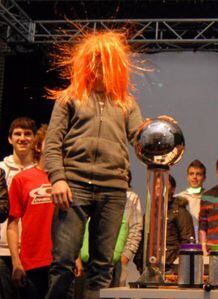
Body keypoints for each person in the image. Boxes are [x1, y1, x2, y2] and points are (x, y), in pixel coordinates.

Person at [44, 31, 143, 299]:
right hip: (74, 185)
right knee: (63, 261)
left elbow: (141, 139)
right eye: (96, 60)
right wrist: (58, 179)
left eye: (106, 61)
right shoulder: (69, 97)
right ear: (86, 62)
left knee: (102, 265)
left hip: (112, 188)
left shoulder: (126, 103)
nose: (100, 67)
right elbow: (52, 143)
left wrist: (159, 130)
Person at [7, 125, 53, 299]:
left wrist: (76, 256)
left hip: (61, 263)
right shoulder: (22, 179)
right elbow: (12, 224)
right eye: (49, 142)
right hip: (31, 262)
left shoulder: (66, 180)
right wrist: (16, 262)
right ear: (39, 146)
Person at [0, 117, 36, 299]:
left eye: (27, 134)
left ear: (34, 138)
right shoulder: (0, 169)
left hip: (34, 252)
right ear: (9, 139)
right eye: (18, 134)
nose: (22, 138)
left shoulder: (42, 172)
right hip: (3, 250)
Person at [165, 175, 194, 272]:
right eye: (157, 183)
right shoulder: (150, 211)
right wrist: (140, 264)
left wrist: (177, 267)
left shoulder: (180, 211)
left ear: (173, 190)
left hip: (171, 268)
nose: (159, 186)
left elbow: (187, 242)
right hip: (149, 267)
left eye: (165, 183)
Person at [176, 159, 206, 243]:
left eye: (198, 174)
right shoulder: (178, 198)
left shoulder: (209, 198)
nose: (194, 177)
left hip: (204, 244)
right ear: (187, 177)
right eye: (191, 174)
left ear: (204, 178)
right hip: (184, 244)